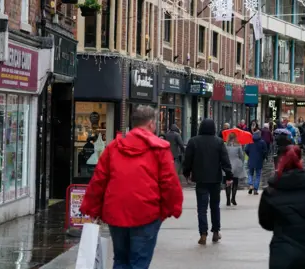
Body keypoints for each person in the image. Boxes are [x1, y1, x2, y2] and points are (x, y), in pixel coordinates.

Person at [79, 105, 184, 268]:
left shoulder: (114, 147)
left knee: (120, 259)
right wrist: (171, 208)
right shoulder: (159, 149)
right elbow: (169, 182)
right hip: (146, 213)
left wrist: (92, 208)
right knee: (139, 262)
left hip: (115, 213)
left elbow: (99, 180)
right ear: (151, 124)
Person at [183, 118, 233, 245]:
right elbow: (225, 160)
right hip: (215, 179)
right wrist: (229, 176)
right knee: (215, 206)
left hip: (200, 178)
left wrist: (186, 172)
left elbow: (188, 159)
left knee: (202, 208)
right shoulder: (219, 142)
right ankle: (216, 232)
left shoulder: (193, 141)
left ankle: (203, 233)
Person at [224, 133, 246, 206]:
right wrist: (241, 163)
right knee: (235, 182)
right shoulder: (238, 145)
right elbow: (242, 156)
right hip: (236, 165)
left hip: (228, 166)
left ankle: (227, 200)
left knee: (227, 182)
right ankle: (233, 198)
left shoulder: (226, 145)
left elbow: (223, 155)